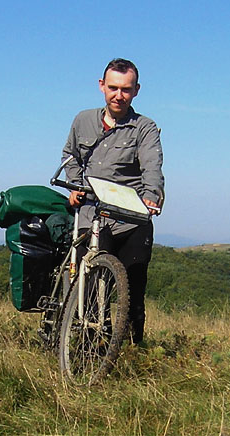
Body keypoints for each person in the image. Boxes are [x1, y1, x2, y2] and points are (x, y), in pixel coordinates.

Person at [61, 58, 164, 345]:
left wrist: (151, 197)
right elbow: (70, 157)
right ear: (102, 86)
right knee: (86, 284)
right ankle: (83, 345)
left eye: (126, 90)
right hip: (91, 215)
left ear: (136, 91)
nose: (119, 95)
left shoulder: (145, 127)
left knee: (132, 286)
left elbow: (152, 168)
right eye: (113, 88)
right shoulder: (83, 120)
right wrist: (75, 186)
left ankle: (132, 348)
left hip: (130, 218)